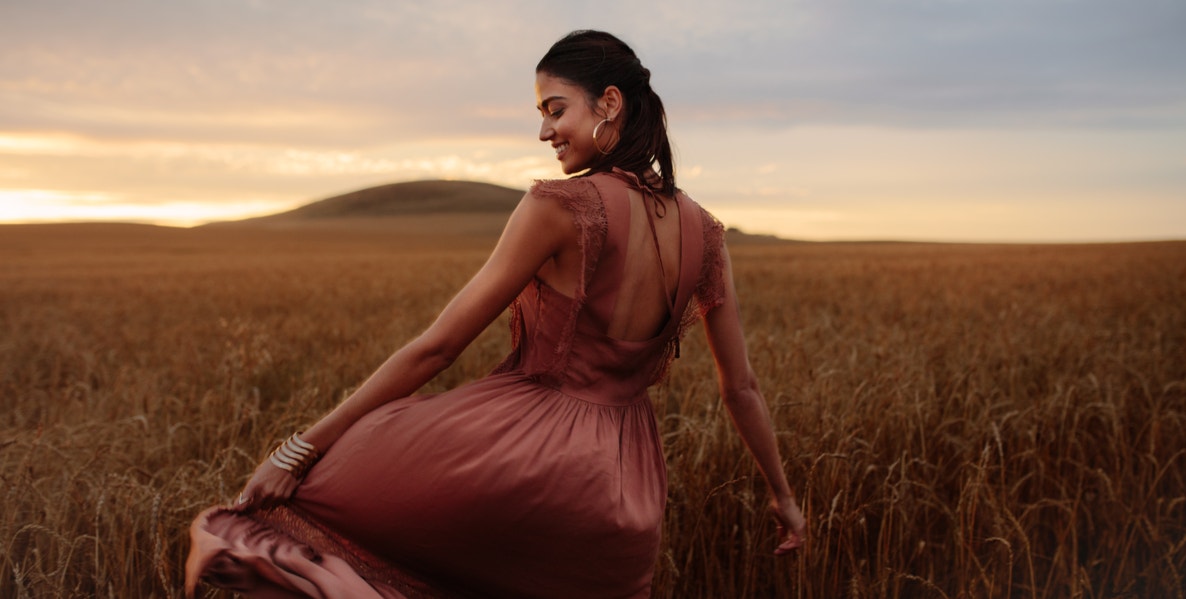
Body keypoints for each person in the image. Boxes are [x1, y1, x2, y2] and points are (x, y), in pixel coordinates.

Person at [186, 29, 806, 599]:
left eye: (555, 109)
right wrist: (783, 497)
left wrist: (297, 451)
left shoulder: (559, 206)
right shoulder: (708, 235)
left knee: (295, 523)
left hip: (523, 466)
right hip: (626, 502)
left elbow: (438, 348)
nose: (544, 132)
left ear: (610, 102)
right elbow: (742, 387)